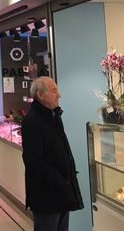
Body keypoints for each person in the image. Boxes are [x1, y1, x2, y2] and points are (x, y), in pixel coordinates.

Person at [22, 77, 83, 231]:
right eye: (54, 91)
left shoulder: (53, 116)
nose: (59, 95)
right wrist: (59, 179)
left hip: (62, 191)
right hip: (47, 195)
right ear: (40, 95)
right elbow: (33, 161)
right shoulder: (33, 121)